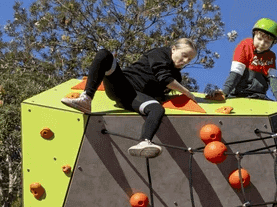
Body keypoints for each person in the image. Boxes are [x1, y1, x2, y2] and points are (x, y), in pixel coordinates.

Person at [61, 38, 200, 158]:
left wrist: (212, 97)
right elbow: (164, 78)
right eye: (184, 55)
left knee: (157, 109)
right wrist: (187, 92)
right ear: (173, 49)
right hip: (123, 86)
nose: (185, 61)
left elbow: (164, 93)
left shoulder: (177, 77)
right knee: (105, 55)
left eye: (189, 59)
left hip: (134, 98)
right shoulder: (160, 53)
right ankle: (86, 99)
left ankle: (144, 142)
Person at [211, 18, 277, 104]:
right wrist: (224, 92)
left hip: (259, 96)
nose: (262, 44)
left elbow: (273, 79)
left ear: (273, 43)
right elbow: (236, 73)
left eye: (267, 42)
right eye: (259, 39)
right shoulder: (244, 46)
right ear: (254, 35)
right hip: (239, 94)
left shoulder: (270, 57)